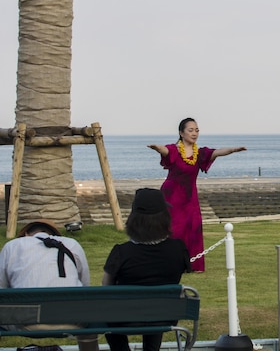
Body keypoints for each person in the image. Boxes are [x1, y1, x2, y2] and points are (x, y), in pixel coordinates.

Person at [148, 117, 246, 272]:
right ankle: (171, 264)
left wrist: (233, 150)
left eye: (197, 130)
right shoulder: (174, 150)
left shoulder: (199, 154)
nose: (194, 133)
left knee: (194, 227)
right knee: (175, 228)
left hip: (190, 196)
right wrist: (157, 148)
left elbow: (217, 152)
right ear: (181, 133)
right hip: (172, 195)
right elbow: (165, 150)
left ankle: (195, 265)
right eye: (191, 130)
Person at [103, 188, 192, 351]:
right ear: (165, 218)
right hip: (165, 316)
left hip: (124, 317)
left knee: (110, 314)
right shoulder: (178, 249)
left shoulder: (121, 252)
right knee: (156, 303)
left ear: (133, 219)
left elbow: (106, 287)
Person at [0, 219, 98, 351]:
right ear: (54, 234)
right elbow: (85, 287)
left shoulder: (13, 245)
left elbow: (2, 290)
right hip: (73, 319)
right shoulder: (72, 244)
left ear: (27, 234)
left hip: (27, 321)